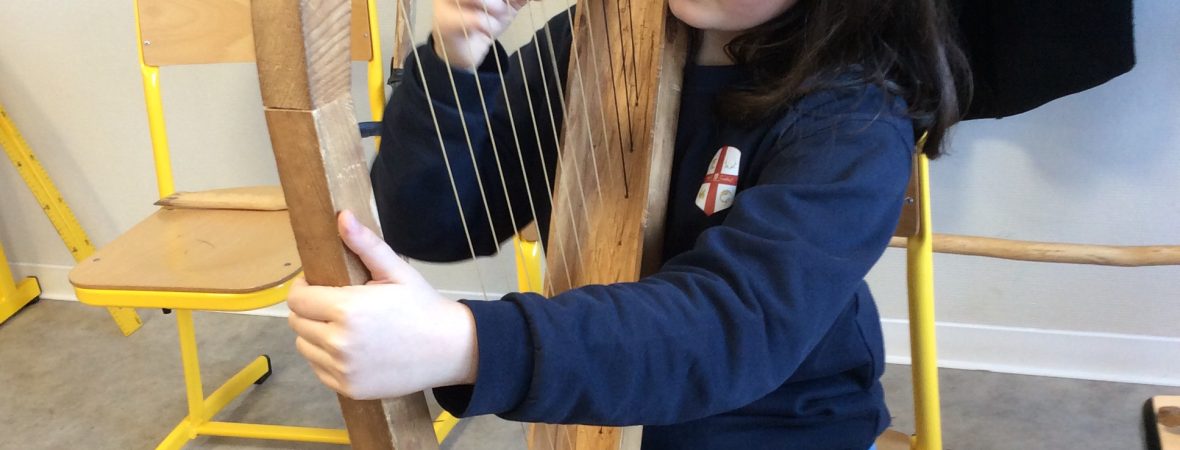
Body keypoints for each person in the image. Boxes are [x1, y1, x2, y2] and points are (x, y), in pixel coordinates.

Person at [285, 0, 970, 448]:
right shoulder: (590, 40)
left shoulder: (854, 116)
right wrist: (455, 58)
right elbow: (435, 226)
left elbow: (733, 325)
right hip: (598, 405)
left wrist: (466, 344)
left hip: (778, 426)